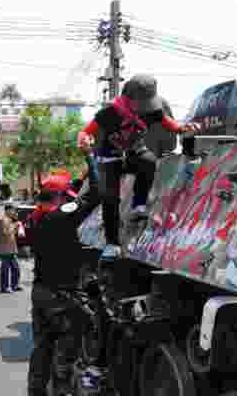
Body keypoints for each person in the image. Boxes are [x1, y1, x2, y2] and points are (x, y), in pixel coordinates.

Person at [77, 74, 197, 259]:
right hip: (109, 157)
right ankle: (112, 243)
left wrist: (182, 128)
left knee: (148, 161)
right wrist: (84, 139)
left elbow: (167, 122)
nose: (146, 109)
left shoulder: (150, 109)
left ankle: (139, 205)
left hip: (133, 152)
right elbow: (86, 131)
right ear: (128, 99)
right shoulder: (110, 112)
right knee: (110, 198)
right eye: (142, 103)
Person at [26, 154, 102, 396]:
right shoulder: (61, 218)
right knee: (65, 356)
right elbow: (95, 195)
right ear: (59, 199)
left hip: (41, 294)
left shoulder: (34, 219)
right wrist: (91, 158)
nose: (70, 198)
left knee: (41, 350)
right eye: (66, 195)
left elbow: (70, 195)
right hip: (63, 297)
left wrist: (78, 178)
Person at [0, 204, 22, 293]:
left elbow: (12, 233)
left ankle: (14, 285)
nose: (14, 212)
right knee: (5, 269)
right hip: (6, 249)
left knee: (16, 268)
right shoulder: (4, 220)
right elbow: (5, 233)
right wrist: (15, 226)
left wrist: (17, 228)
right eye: (12, 210)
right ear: (7, 210)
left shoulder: (10, 220)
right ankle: (5, 287)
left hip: (11, 248)